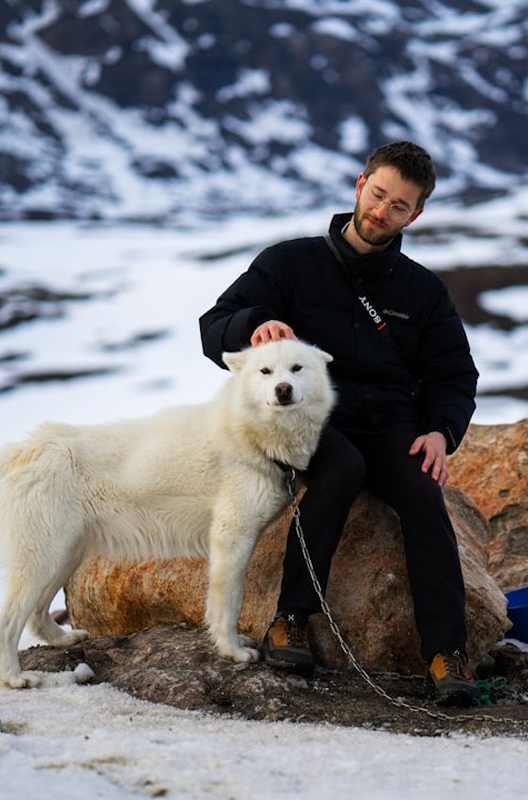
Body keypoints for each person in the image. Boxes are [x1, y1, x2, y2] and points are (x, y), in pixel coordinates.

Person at [198, 141, 481, 707]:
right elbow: (214, 327)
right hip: (308, 423)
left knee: (425, 495)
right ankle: (291, 620)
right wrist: (255, 324)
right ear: (359, 184)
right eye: (378, 195)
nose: (382, 211)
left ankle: (447, 656)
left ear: (416, 214)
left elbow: (454, 373)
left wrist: (440, 432)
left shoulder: (422, 291)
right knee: (341, 469)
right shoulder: (289, 264)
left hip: (392, 426)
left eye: (399, 205)